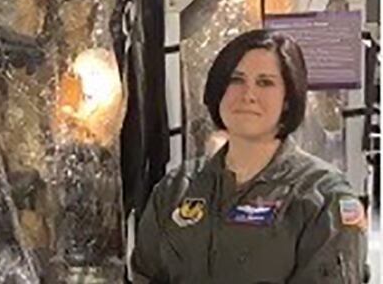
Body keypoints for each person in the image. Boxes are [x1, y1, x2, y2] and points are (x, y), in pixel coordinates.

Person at [132, 29, 368, 283]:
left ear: (288, 98)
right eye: (236, 80)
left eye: (265, 82)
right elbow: (144, 275)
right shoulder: (176, 188)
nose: (248, 95)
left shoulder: (323, 197)